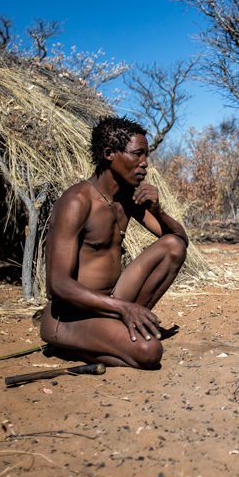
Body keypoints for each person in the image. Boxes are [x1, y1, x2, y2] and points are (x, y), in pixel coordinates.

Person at [39, 116, 188, 369]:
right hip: (69, 315)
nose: (145, 164)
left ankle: (117, 331)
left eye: (146, 156)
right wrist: (123, 308)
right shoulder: (77, 201)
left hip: (112, 303)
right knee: (149, 350)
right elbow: (58, 286)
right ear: (110, 153)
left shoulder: (126, 199)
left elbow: (180, 239)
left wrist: (158, 210)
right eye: (138, 154)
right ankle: (75, 343)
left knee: (173, 246)